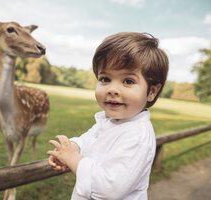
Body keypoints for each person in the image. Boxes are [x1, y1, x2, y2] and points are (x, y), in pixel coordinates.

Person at [47, 32, 169, 200]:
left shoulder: (137, 136)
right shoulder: (110, 121)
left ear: (151, 92)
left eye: (128, 81)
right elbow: (89, 138)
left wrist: (73, 159)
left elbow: (108, 188)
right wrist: (71, 148)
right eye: (105, 78)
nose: (112, 89)